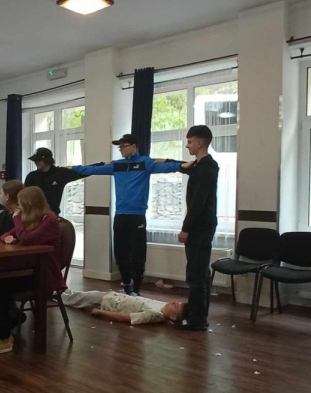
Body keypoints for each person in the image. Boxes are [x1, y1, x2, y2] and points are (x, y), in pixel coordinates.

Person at [69, 134, 191, 296]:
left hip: (137, 216)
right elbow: (93, 169)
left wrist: (183, 165)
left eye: (123, 146)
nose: (120, 149)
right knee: (120, 253)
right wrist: (73, 168)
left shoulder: (146, 163)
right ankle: (127, 284)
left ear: (134, 146)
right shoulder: (117, 165)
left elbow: (169, 166)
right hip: (120, 216)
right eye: (119, 147)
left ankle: (137, 288)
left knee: (138, 253)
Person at [0, 186, 65, 357]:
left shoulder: (49, 220)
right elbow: (4, 235)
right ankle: (9, 319)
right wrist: (9, 237)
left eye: (21, 203)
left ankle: (2, 337)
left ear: (29, 203)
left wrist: (16, 218)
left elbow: (26, 238)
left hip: (43, 275)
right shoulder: (30, 219)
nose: (19, 207)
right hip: (27, 271)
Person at [178, 125, 219, 331]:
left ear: (200, 143)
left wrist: (186, 228)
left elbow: (198, 202)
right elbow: (184, 167)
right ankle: (199, 317)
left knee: (196, 274)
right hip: (202, 225)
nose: (187, 146)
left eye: (189, 142)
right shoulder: (201, 166)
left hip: (200, 227)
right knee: (200, 272)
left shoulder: (206, 168)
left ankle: (197, 320)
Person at [62, 290, 187, 326]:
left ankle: (55, 293)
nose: (173, 302)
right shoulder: (162, 306)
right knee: (80, 295)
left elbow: (125, 318)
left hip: (107, 302)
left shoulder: (154, 315)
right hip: (113, 296)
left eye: (176, 305)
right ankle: (61, 290)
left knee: (75, 299)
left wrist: (100, 312)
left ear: (173, 316)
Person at [24, 147, 87, 216]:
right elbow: (24, 196)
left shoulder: (60, 174)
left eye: (38, 160)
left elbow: (82, 171)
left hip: (52, 215)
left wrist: (96, 168)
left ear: (47, 160)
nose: (35, 162)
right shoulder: (31, 176)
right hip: (34, 215)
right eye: (35, 160)